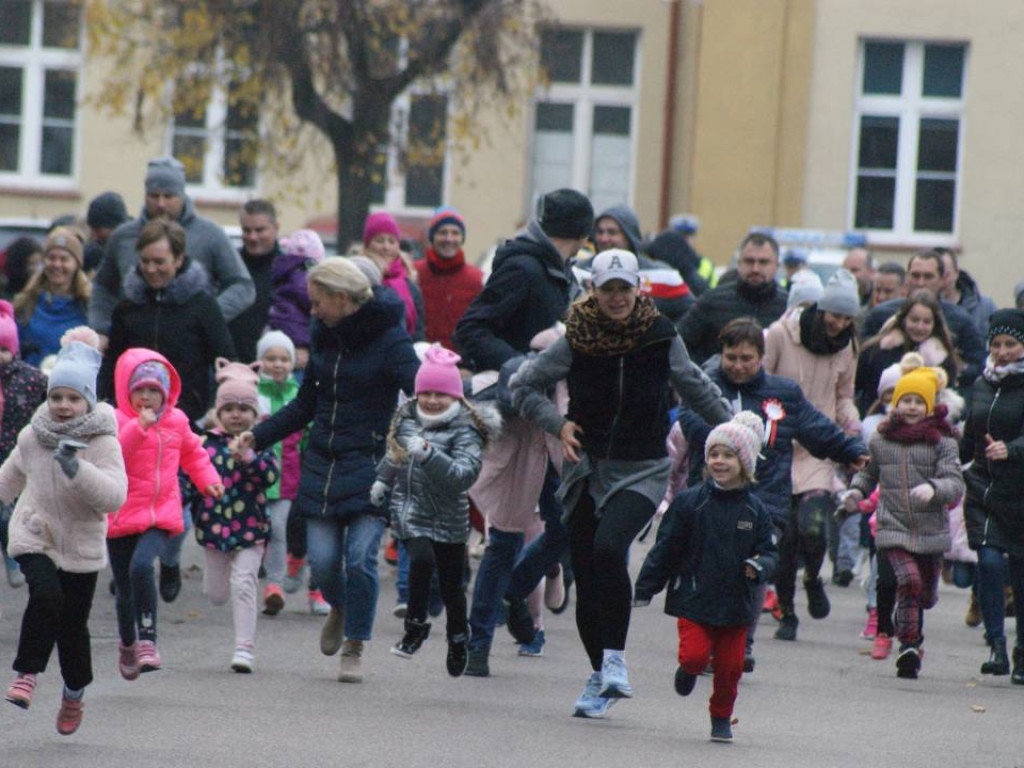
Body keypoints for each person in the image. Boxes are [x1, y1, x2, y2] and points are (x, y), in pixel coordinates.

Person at [511, 248, 732, 718]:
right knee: (589, 578)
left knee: (611, 549)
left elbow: (693, 384)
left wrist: (737, 429)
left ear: (638, 289)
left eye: (623, 289)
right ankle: (600, 675)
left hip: (642, 466)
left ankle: (615, 662)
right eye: (606, 289)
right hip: (585, 469)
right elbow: (524, 386)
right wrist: (556, 424)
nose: (615, 298)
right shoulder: (575, 338)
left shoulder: (658, 335)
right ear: (592, 290)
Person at [235, 258, 420, 683]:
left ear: (342, 299)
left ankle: (354, 643)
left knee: (359, 560)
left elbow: (423, 395)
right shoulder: (324, 336)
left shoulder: (392, 341)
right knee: (322, 564)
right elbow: (305, 404)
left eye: (318, 303)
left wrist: (434, 427)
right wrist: (258, 436)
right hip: (324, 463)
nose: (312, 312)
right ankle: (340, 605)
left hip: (373, 464)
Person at [454, 188, 594, 677]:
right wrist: (517, 365)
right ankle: (478, 643)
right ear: (581, 232)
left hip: (557, 419)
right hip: (518, 414)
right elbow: (471, 330)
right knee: (509, 532)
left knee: (570, 523)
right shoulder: (525, 267)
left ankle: (516, 591)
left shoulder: (565, 272)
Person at [679, 319, 868, 650]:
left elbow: (815, 428)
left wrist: (851, 451)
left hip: (765, 500)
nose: (738, 365)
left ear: (761, 358)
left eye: (746, 358)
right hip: (713, 497)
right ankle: (708, 637)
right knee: (715, 573)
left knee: (752, 571)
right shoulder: (704, 386)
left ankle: (743, 642)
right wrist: (734, 437)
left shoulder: (784, 393)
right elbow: (692, 425)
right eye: (731, 357)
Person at [0, 328, 127, 734]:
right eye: (56, 397)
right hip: (35, 532)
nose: (63, 406)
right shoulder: (32, 436)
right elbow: (9, 479)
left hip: (81, 545)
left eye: (73, 398)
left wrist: (78, 469)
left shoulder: (103, 441)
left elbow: (114, 497)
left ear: (88, 400)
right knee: (45, 594)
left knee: (73, 627)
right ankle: (27, 674)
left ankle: (74, 694)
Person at [634, 413, 777, 743]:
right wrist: (646, 586)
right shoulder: (689, 502)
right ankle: (688, 669)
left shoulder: (756, 510)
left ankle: (721, 717)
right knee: (697, 656)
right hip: (694, 598)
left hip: (735, 604)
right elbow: (666, 547)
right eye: (714, 454)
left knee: (730, 670)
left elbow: (770, 552)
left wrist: (759, 566)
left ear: (744, 463)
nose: (719, 461)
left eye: (728, 455)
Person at [371, 345, 499, 675]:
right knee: (421, 558)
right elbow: (396, 453)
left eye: (439, 393)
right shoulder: (406, 417)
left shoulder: (466, 428)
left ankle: (458, 637)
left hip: (449, 515)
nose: (430, 400)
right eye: (425, 392)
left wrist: (429, 454)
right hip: (408, 507)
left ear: (454, 396)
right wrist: (382, 482)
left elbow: (463, 476)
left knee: (451, 586)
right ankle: (414, 627)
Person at [107, 348, 224, 676]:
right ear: (127, 391)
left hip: (160, 512)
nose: (146, 398)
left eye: (154, 391)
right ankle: (127, 643)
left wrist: (209, 481)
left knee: (142, 566)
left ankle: (148, 640)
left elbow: (194, 455)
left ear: (166, 393)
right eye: (139, 390)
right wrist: (138, 427)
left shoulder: (177, 421)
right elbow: (115, 455)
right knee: (124, 584)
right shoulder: (117, 421)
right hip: (120, 513)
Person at [845, 367, 964, 679]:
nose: (911, 406)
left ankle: (911, 636)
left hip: (929, 530)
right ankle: (909, 647)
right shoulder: (881, 440)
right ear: (894, 404)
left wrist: (935, 488)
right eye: (905, 400)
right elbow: (868, 474)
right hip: (892, 525)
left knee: (923, 595)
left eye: (918, 401)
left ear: (928, 406)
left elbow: (955, 482)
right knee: (907, 581)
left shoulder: (943, 442)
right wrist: (855, 493)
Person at [763, 270, 862, 595]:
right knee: (786, 536)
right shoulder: (780, 334)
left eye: (847, 318)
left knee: (814, 529)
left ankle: (812, 577)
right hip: (779, 442)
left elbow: (844, 395)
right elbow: (761, 380)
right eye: (835, 315)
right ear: (821, 309)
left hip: (819, 447)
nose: (839, 324)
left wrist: (852, 423)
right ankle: (786, 606)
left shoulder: (847, 347)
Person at [89, 156, 254, 340]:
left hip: (191, 348)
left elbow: (243, 286)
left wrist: (207, 317)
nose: (161, 204)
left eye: (168, 196)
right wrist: (101, 328)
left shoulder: (210, 234)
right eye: (154, 196)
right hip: (134, 345)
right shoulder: (123, 236)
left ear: (182, 195)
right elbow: (103, 285)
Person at [97, 220, 237, 424]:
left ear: (179, 259)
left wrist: (218, 408)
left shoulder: (202, 304)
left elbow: (226, 361)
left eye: (159, 262)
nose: (151, 269)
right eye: (145, 261)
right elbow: (112, 362)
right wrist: (103, 404)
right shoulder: (127, 306)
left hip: (188, 418)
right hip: (133, 418)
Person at [188, 360, 278, 673]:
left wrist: (249, 458)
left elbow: (270, 476)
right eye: (229, 408)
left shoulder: (260, 444)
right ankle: (217, 589)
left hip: (251, 529)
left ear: (255, 415)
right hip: (213, 529)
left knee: (244, 583)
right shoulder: (206, 444)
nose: (236, 414)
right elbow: (190, 477)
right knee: (216, 595)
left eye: (244, 408)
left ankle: (244, 649)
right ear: (219, 413)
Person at [961, 309, 1024, 683]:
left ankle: (1021, 653)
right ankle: (996, 646)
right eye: (996, 344)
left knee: (1019, 573)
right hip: (983, 486)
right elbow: (971, 432)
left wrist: (1012, 449)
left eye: (1011, 344)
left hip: (1019, 491)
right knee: (988, 562)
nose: (1002, 352)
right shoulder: (981, 383)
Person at [254, 330, 323, 615]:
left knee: (293, 528)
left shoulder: (299, 395)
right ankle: (275, 583)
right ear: (260, 361)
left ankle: (292, 585)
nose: (278, 364)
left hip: (293, 478)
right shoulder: (253, 393)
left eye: (284, 358)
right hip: (259, 480)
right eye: (271, 358)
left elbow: (309, 434)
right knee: (270, 528)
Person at [861, 250, 984, 388]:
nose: (921, 282)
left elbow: (977, 365)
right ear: (907, 278)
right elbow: (861, 365)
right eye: (915, 275)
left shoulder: (960, 319)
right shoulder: (881, 314)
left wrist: (946, 370)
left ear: (942, 279)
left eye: (928, 276)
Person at [678, 232, 788, 365]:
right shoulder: (712, 300)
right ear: (739, 263)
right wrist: (704, 374)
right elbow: (681, 343)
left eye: (763, 262)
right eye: (749, 261)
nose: (755, 269)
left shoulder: (787, 307)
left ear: (777, 265)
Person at [0, 301, 48, 590]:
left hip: (18, 458)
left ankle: (16, 556)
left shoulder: (29, 379)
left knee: (15, 513)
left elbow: (49, 404)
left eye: (4, 350)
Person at [855, 290, 960, 416]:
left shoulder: (942, 359)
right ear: (904, 319)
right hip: (878, 420)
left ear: (935, 324)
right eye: (915, 320)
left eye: (926, 322)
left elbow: (948, 397)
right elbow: (855, 387)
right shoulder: (877, 351)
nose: (920, 327)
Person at [591, 205, 694, 322]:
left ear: (630, 235)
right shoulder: (581, 271)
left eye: (612, 232)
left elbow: (691, 315)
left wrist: (667, 336)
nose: (604, 239)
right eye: (600, 232)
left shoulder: (664, 275)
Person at [15, 228, 90, 367]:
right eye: (51, 258)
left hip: (71, 385)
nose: (57, 264)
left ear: (77, 264)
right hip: (30, 384)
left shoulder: (88, 306)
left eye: (64, 259)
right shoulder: (26, 302)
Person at [414, 207, 483, 351]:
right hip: (419, 361)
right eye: (442, 232)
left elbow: (480, 328)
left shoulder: (477, 279)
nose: (449, 239)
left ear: (462, 238)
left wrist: (467, 364)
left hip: (460, 366)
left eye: (455, 233)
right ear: (432, 237)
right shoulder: (414, 273)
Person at [229, 200, 282, 363]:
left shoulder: (289, 270)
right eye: (246, 230)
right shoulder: (229, 266)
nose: (252, 237)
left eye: (260, 230)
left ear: (276, 228)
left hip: (275, 367)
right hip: (232, 364)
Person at [267, 229, 326, 374]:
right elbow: (308, 299)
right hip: (297, 332)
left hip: (281, 323)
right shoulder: (304, 276)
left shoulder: (284, 269)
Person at [363, 212, 425, 341]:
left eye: (392, 241)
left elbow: (418, 333)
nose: (386, 247)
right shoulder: (359, 279)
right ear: (368, 245)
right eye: (379, 240)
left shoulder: (410, 285)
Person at [938, 249, 997, 340]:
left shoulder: (985, 308)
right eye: (936, 276)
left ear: (956, 273)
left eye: (945, 275)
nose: (941, 282)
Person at [83, 192, 128, 275]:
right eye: (92, 228)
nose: (93, 235)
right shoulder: (94, 252)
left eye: (97, 229)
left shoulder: (132, 251)